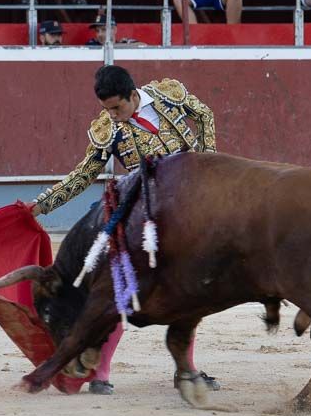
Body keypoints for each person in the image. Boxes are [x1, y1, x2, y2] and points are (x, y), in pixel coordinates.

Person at [29, 65, 218, 395]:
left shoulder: (167, 95)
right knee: (116, 287)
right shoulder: (108, 129)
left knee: (189, 292)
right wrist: (42, 205)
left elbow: (204, 115)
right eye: (107, 110)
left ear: (133, 95)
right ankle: (100, 373)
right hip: (143, 211)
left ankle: (186, 370)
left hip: (189, 208)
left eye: (117, 108)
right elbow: (83, 174)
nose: (113, 116)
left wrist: (207, 162)